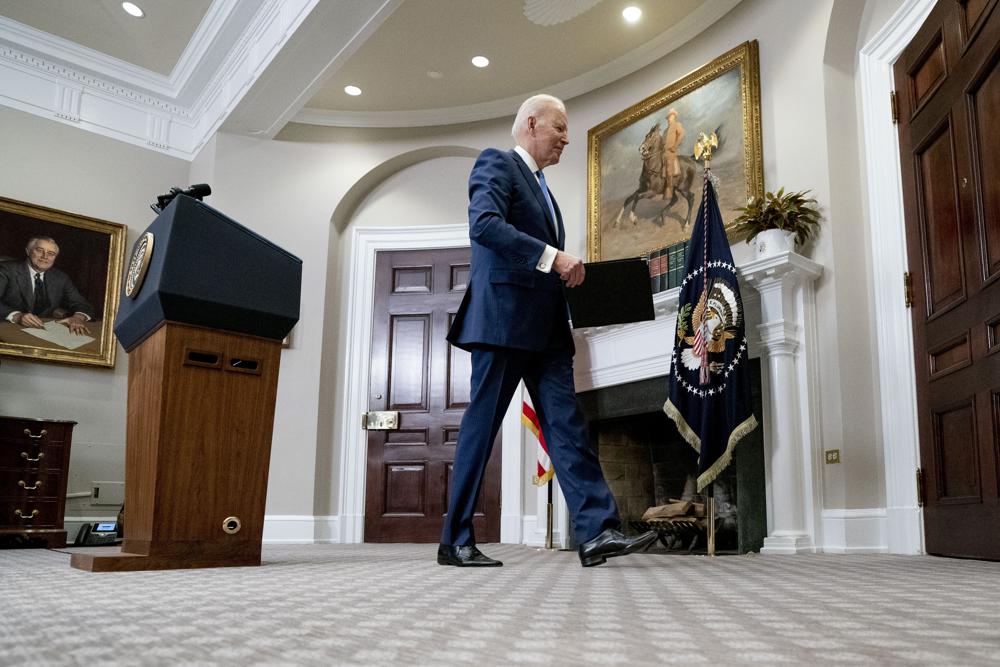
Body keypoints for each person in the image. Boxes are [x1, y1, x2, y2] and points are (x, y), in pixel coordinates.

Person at [440, 94, 657, 568]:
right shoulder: (496, 163)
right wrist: (553, 257)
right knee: (482, 428)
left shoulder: (545, 192)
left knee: (568, 428)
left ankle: (597, 532)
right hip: (501, 323)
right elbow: (486, 225)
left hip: (547, 331)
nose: (565, 138)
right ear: (531, 124)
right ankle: (454, 540)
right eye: (559, 128)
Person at [0, 236, 95, 335]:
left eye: (51, 254)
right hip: (7, 328)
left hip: (42, 331)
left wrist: (78, 318)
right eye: (40, 250)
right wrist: (17, 316)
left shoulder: (60, 278)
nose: (45, 256)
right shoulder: (5, 270)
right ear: (28, 251)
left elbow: (83, 304)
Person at [661, 108, 685, 201]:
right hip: (664, 152)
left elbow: (682, 134)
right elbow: (663, 142)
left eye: (670, 117)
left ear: (674, 116)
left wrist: (675, 146)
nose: (668, 119)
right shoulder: (665, 130)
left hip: (671, 152)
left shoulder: (677, 125)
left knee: (668, 168)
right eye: (668, 117)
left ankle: (669, 189)